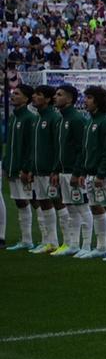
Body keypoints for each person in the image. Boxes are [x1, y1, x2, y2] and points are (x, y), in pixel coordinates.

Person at [81, 86, 106, 260]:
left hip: (102, 175)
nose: (85, 101)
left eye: (89, 97)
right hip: (91, 174)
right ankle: (101, 247)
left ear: (98, 101)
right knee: (95, 208)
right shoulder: (90, 122)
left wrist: (102, 173)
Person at [53, 84, 91, 258]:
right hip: (63, 172)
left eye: (59, 94)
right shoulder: (61, 119)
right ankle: (74, 244)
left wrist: (77, 172)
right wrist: (56, 170)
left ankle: (87, 245)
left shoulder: (76, 119)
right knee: (71, 210)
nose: (55, 97)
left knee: (83, 208)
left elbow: (82, 149)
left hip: (74, 173)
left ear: (69, 99)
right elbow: (60, 149)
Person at [25, 84, 62, 254]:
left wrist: (55, 169)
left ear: (47, 99)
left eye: (38, 94)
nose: (34, 97)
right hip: (38, 170)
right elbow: (34, 147)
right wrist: (31, 168)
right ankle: (50, 241)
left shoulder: (54, 118)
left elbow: (57, 146)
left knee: (59, 203)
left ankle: (68, 242)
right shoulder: (37, 118)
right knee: (44, 203)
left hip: (50, 170)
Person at [4, 84, 32, 251]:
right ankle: (25, 238)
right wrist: (7, 165)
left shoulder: (29, 118)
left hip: (23, 169)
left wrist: (25, 168)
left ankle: (31, 239)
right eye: (13, 93)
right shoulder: (14, 117)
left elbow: (30, 146)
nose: (13, 96)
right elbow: (10, 144)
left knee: (29, 201)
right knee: (19, 201)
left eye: (17, 93)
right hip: (13, 167)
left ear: (26, 99)